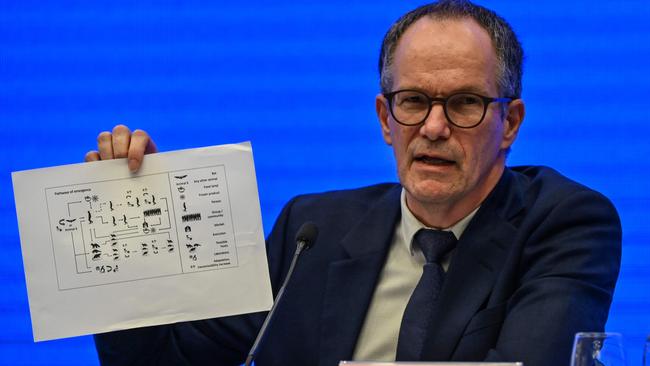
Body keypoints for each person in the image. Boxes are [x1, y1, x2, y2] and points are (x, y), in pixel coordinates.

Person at [90, 1, 622, 365]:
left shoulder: (564, 222)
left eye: (464, 103)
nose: (433, 128)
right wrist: (134, 238)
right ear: (385, 119)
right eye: (413, 101)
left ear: (509, 123)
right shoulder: (311, 230)